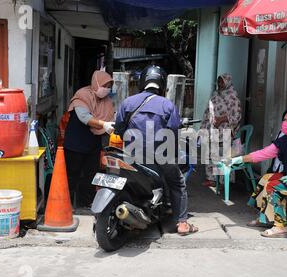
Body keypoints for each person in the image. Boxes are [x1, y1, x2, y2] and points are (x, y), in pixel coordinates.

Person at [114, 65, 198, 236]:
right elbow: (173, 133)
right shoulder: (168, 105)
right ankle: (182, 223)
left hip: (132, 155)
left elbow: (119, 129)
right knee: (178, 183)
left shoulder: (128, 102)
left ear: (143, 81)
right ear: (162, 84)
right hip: (160, 156)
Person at [221, 109, 287, 238]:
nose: (284, 123)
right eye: (284, 120)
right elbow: (263, 153)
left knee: (275, 187)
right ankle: (266, 219)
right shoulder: (285, 140)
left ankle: (280, 227)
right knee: (266, 179)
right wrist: (236, 160)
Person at [63, 70, 115, 208]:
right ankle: (66, 205)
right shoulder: (82, 96)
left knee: (91, 175)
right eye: (105, 85)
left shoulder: (107, 101)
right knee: (72, 174)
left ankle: (85, 203)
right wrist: (103, 124)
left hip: (93, 143)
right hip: (76, 142)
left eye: (109, 86)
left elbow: (112, 118)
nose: (107, 89)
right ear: (96, 83)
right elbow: (84, 117)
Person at [200, 73, 242, 187]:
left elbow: (236, 116)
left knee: (222, 155)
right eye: (218, 81)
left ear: (227, 82)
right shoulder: (215, 95)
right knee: (209, 153)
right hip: (212, 129)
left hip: (225, 130)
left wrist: (221, 119)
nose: (220, 84)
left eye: (222, 81)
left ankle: (222, 181)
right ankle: (212, 179)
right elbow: (208, 111)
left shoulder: (233, 97)